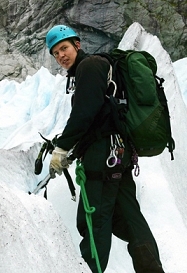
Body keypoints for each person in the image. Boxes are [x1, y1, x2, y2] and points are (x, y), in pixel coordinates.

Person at [45, 24, 165, 273]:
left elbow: (84, 113)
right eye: (56, 53)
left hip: (103, 157)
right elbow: (98, 115)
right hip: (118, 154)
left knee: (93, 222)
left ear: (77, 45)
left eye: (64, 48)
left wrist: (62, 148)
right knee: (130, 221)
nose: (61, 56)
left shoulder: (90, 67)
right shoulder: (96, 68)